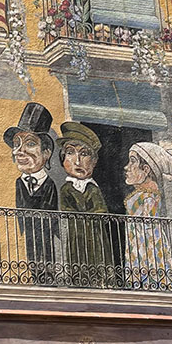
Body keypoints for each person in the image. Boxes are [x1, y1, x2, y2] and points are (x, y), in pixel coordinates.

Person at [123, 143, 172, 290]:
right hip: (138, 239)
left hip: (145, 241)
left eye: (133, 161)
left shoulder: (149, 195)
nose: (126, 167)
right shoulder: (144, 192)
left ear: (146, 169)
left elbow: (149, 224)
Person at [4, 103, 59, 283]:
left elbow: (52, 218)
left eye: (30, 143)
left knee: (45, 260)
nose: (20, 151)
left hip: (46, 238)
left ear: (46, 153)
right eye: (17, 144)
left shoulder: (50, 183)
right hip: (28, 238)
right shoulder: (19, 183)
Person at [58, 122, 113, 286]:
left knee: (99, 257)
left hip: (95, 235)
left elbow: (101, 211)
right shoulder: (66, 188)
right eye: (70, 153)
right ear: (63, 160)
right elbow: (66, 209)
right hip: (76, 234)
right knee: (77, 258)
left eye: (84, 153)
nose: (77, 161)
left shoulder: (93, 188)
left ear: (94, 161)